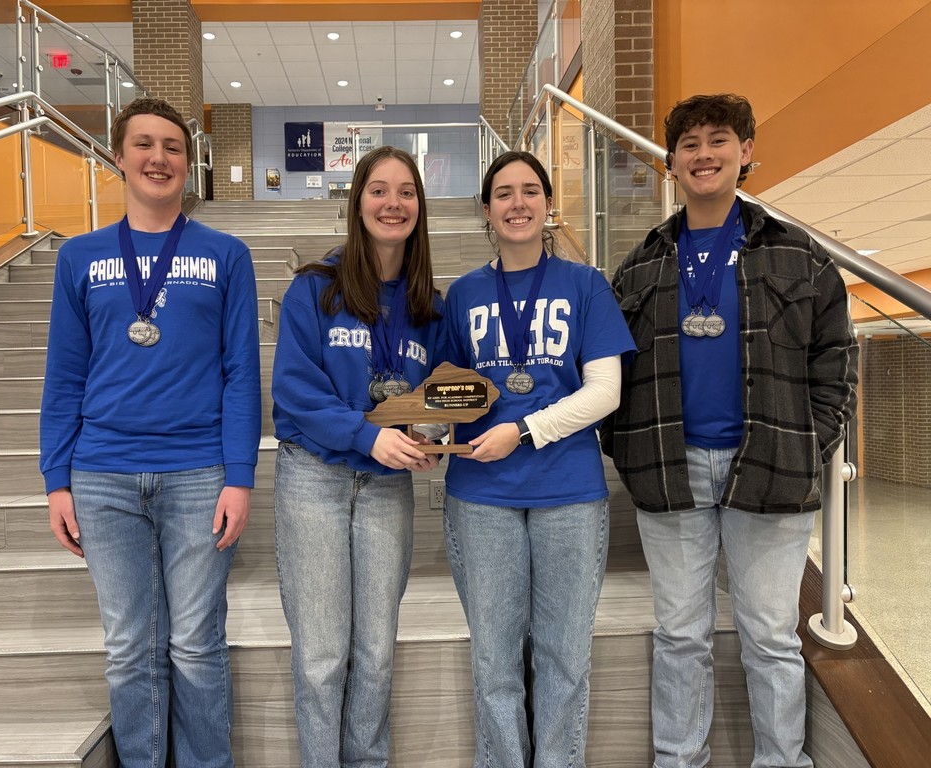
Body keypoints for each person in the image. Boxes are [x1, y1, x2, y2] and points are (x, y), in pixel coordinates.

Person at [601, 93, 859, 768]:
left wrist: (813, 445)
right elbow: (609, 374)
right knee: (680, 635)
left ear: (746, 152)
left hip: (770, 466)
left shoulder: (800, 257)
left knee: (770, 636)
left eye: (719, 140)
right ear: (671, 163)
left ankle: (782, 761)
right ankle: (678, 759)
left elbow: (836, 360)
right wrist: (628, 452)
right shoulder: (641, 265)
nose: (703, 154)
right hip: (670, 469)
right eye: (689, 144)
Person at [39, 97, 261, 768]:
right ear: (118, 156)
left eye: (172, 146)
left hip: (198, 473)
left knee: (195, 640)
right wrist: (57, 480)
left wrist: (240, 477)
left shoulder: (226, 253)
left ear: (188, 164)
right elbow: (65, 374)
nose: (159, 157)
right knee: (130, 644)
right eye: (144, 144)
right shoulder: (80, 257)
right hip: (102, 474)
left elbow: (241, 373)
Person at [442, 150, 636, 768]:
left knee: (563, 656)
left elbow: (605, 392)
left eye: (530, 191)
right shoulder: (465, 293)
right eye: (503, 193)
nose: (517, 203)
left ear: (550, 205)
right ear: (486, 210)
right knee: (495, 659)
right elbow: (450, 388)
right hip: (480, 496)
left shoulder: (585, 284)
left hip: (569, 493)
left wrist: (522, 430)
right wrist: (417, 425)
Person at [271, 145, 446, 768]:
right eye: (379, 190)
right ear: (357, 201)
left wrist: (425, 437)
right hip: (314, 480)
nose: (392, 203)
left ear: (420, 207)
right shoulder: (315, 288)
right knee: (323, 657)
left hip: (385, 491)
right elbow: (294, 388)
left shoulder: (431, 307)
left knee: (375, 653)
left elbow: (437, 395)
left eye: (406, 192)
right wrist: (368, 434)